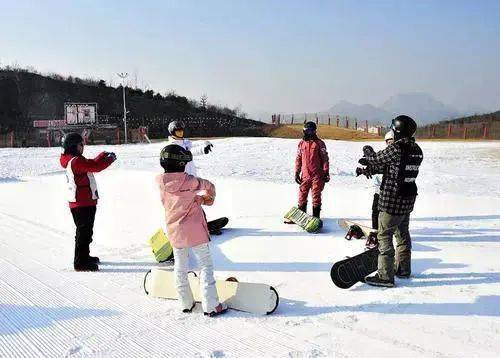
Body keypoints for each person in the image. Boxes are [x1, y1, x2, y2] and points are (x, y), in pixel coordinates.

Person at [156, 144, 227, 317]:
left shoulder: (160, 181)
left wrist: (196, 199)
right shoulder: (191, 181)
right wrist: (206, 199)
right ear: (182, 164)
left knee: (180, 266)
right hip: (195, 231)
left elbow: (180, 196)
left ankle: (185, 302)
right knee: (205, 265)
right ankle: (211, 305)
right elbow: (209, 186)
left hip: (175, 231)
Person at [358, 115, 423, 287]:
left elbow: (377, 158)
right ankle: (403, 269)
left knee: (384, 236)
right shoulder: (417, 150)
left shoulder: (396, 148)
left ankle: (385, 276)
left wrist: (367, 152)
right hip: (407, 201)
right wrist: (370, 168)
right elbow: (393, 167)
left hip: (392, 201)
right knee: (402, 236)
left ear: (398, 130)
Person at [59, 133, 116, 271]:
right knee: (83, 233)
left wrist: (103, 155)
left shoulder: (74, 160)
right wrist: (110, 160)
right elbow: (96, 167)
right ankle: (80, 263)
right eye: (81, 144)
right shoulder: (76, 161)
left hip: (83, 202)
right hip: (82, 203)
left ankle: (85, 256)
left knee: (86, 232)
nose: (83, 147)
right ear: (74, 146)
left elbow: (92, 163)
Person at [357, 130, 395, 248]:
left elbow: (380, 166)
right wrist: (364, 170)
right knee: (375, 211)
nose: (390, 144)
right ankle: (375, 231)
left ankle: (385, 234)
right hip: (379, 189)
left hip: (390, 191)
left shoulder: (394, 155)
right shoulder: (384, 154)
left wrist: (369, 161)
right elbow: (377, 166)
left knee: (387, 214)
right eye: (388, 142)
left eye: (392, 142)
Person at [286, 121, 330, 224]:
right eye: (307, 131)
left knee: (316, 195)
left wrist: (326, 172)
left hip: (317, 175)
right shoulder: (301, 143)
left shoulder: (319, 143)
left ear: (315, 131)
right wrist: (297, 171)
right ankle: (301, 216)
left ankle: (316, 218)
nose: (309, 133)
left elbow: (325, 159)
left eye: (311, 131)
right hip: (305, 175)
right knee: (302, 194)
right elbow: (299, 158)